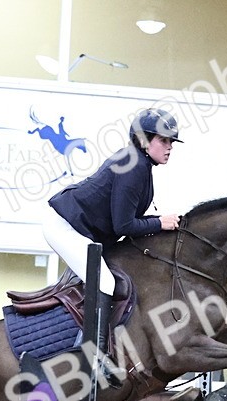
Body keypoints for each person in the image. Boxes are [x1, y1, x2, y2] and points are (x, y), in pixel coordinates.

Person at [43, 107, 182, 355]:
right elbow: (124, 226)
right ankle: (91, 353)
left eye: (171, 141)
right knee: (105, 282)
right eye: (163, 140)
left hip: (81, 231)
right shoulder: (134, 166)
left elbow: (129, 221)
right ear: (143, 140)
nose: (170, 146)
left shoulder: (141, 164)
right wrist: (160, 223)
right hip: (64, 226)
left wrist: (160, 223)